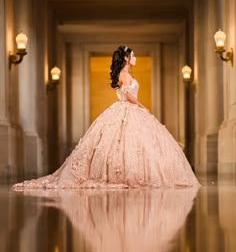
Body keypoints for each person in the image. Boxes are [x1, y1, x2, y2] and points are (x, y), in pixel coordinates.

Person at [13, 45, 200, 189]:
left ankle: (124, 173)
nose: (134, 58)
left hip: (125, 110)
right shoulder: (125, 74)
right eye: (132, 55)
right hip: (128, 108)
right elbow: (127, 94)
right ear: (126, 58)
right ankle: (127, 175)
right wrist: (141, 105)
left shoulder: (125, 73)